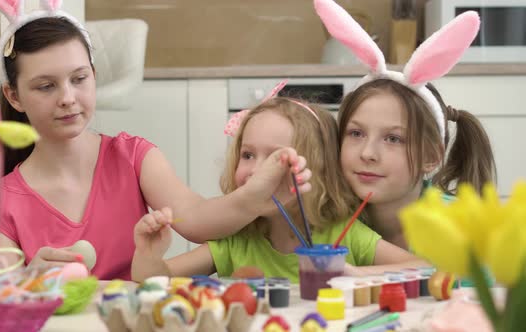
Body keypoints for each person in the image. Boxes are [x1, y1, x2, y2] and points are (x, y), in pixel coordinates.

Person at [0, 1, 312, 280]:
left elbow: (197, 220)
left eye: (79, 78)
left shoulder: (133, 156)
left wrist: (255, 194)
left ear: (93, 75)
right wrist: (30, 280)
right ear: (14, 96)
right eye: (46, 86)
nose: (67, 97)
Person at [131, 96, 425, 283]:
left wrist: (356, 274)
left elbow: (427, 266)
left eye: (276, 159)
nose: (257, 171)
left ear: (317, 170)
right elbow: (153, 280)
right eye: (247, 155)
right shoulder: (238, 240)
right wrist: (148, 255)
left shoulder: (344, 236)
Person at [312, 0, 496, 250]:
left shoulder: (459, 227)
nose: (367, 153)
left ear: (430, 157)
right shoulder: (330, 218)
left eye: (393, 139)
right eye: (356, 133)